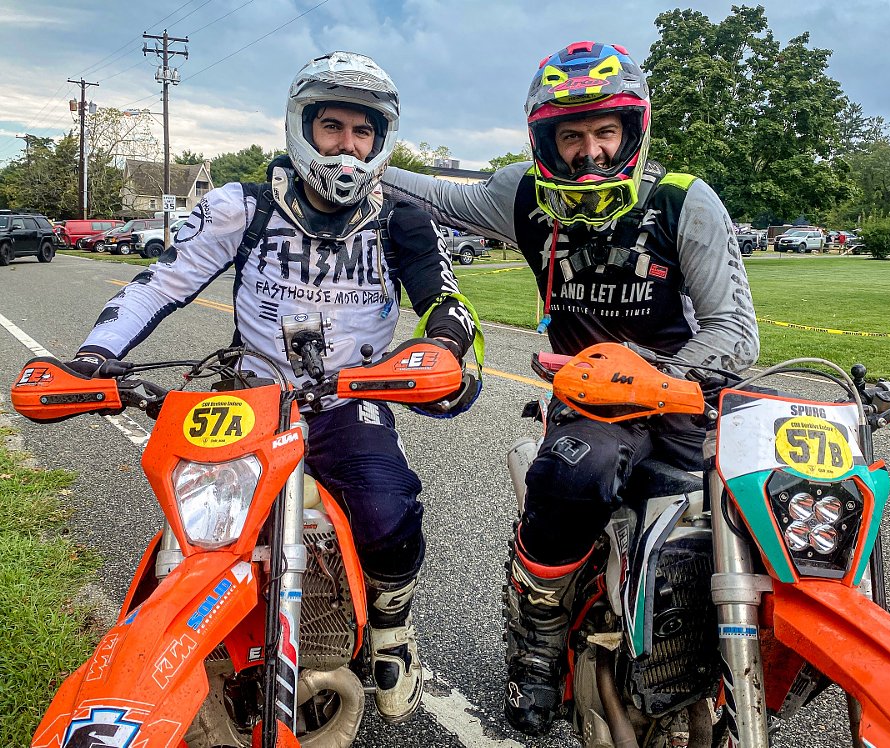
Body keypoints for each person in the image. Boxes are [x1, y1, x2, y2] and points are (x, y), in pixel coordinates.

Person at [64, 51, 482, 725]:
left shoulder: (401, 216)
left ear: (381, 140)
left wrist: (445, 351)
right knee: (199, 526)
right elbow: (161, 283)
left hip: (351, 400)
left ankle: (393, 628)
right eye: (333, 126)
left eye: (363, 131)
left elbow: (447, 303)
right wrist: (93, 354)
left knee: (388, 506)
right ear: (301, 126)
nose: (347, 145)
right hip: (250, 401)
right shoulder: (241, 207)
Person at [380, 40, 759, 735]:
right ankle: (537, 642)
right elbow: (430, 192)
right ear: (545, 140)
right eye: (573, 134)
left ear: (632, 131)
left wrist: (660, 376)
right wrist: (352, 159)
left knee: (765, 511)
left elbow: (736, 331)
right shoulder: (520, 194)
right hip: (587, 403)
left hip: (685, 396)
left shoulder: (683, 201)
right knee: (570, 479)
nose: (590, 151)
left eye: (605, 132)